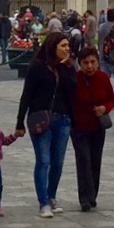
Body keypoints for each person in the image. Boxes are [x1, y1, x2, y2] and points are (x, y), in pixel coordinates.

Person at [15, 32, 77, 218]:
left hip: (63, 118)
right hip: (40, 118)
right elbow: (26, 95)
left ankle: (51, 196)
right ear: (53, 47)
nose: (67, 49)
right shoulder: (37, 67)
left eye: (68, 46)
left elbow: (73, 90)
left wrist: (66, 68)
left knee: (57, 162)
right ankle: (43, 202)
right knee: (44, 160)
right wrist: (19, 122)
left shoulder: (67, 67)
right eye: (63, 46)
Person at [69, 47, 114, 212]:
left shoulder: (103, 78)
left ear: (97, 62)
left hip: (97, 127)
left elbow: (112, 98)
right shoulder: (75, 79)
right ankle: (84, 198)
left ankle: (93, 195)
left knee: (95, 161)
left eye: (92, 62)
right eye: (85, 63)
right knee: (83, 161)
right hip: (79, 127)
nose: (89, 66)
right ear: (80, 64)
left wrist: (105, 108)